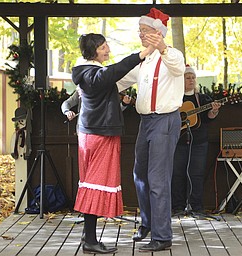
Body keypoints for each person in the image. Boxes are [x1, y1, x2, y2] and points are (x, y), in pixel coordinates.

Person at [71, 33, 153, 254]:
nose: (108, 50)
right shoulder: (91, 74)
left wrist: (150, 58)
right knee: (94, 185)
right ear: (93, 50)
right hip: (99, 135)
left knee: (92, 184)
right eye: (103, 47)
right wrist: (141, 53)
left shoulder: (92, 73)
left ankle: (88, 237)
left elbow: (121, 76)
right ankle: (89, 240)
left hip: (93, 134)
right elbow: (114, 72)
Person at [117, 8, 185, 252]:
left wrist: (163, 47)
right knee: (140, 176)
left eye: (144, 31)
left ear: (158, 33)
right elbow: (120, 79)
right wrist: (94, 82)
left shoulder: (173, 55)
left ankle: (162, 236)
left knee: (158, 179)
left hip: (165, 121)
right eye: (140, 31)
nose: (140, 35)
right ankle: (148, 223)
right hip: (145, 123)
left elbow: (178, 67)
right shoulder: (142, 60)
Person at [171, 65, 221, 214]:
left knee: (196, 174)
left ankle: (196, 207)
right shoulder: (174, 98)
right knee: (177, 173)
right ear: (182, 79)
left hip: (199, 142)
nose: (191, 80)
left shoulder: (203, 99)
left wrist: (213, 110)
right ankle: (178, 207)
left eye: (193, 77)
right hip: (178, 141)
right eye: (188, 77)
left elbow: (208, 119)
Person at [61, 87, 132, 133]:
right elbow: (67, 103)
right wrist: (67, 111)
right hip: (84, 129)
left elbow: (113, 110)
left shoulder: (106, 91)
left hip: (101, 129)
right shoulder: (81, 90)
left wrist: (124, 104)